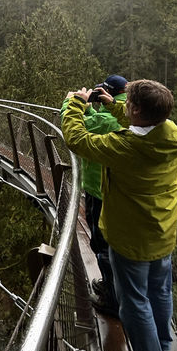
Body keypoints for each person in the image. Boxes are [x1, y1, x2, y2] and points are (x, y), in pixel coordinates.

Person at [61, 79, 177, 351]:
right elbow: (140, 123)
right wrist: (114, 106)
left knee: (133, 303)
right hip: (162, 232)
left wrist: (75, 103)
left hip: (131, 237)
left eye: (127, 102)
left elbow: (78, 140)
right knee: (159, 293)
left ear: (136, 109)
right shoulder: (172, 135)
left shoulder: (127, 148)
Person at [61, 74, 128, 318]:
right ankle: (112, 287)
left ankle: (112, 297)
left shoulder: (111, 118)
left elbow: (78, 133)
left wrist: (72, 104)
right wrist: (91, 109)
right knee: (111, 244)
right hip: (118, 191)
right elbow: (100, 122)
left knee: (100, 242)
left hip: (99, 189)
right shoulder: (130, 113)